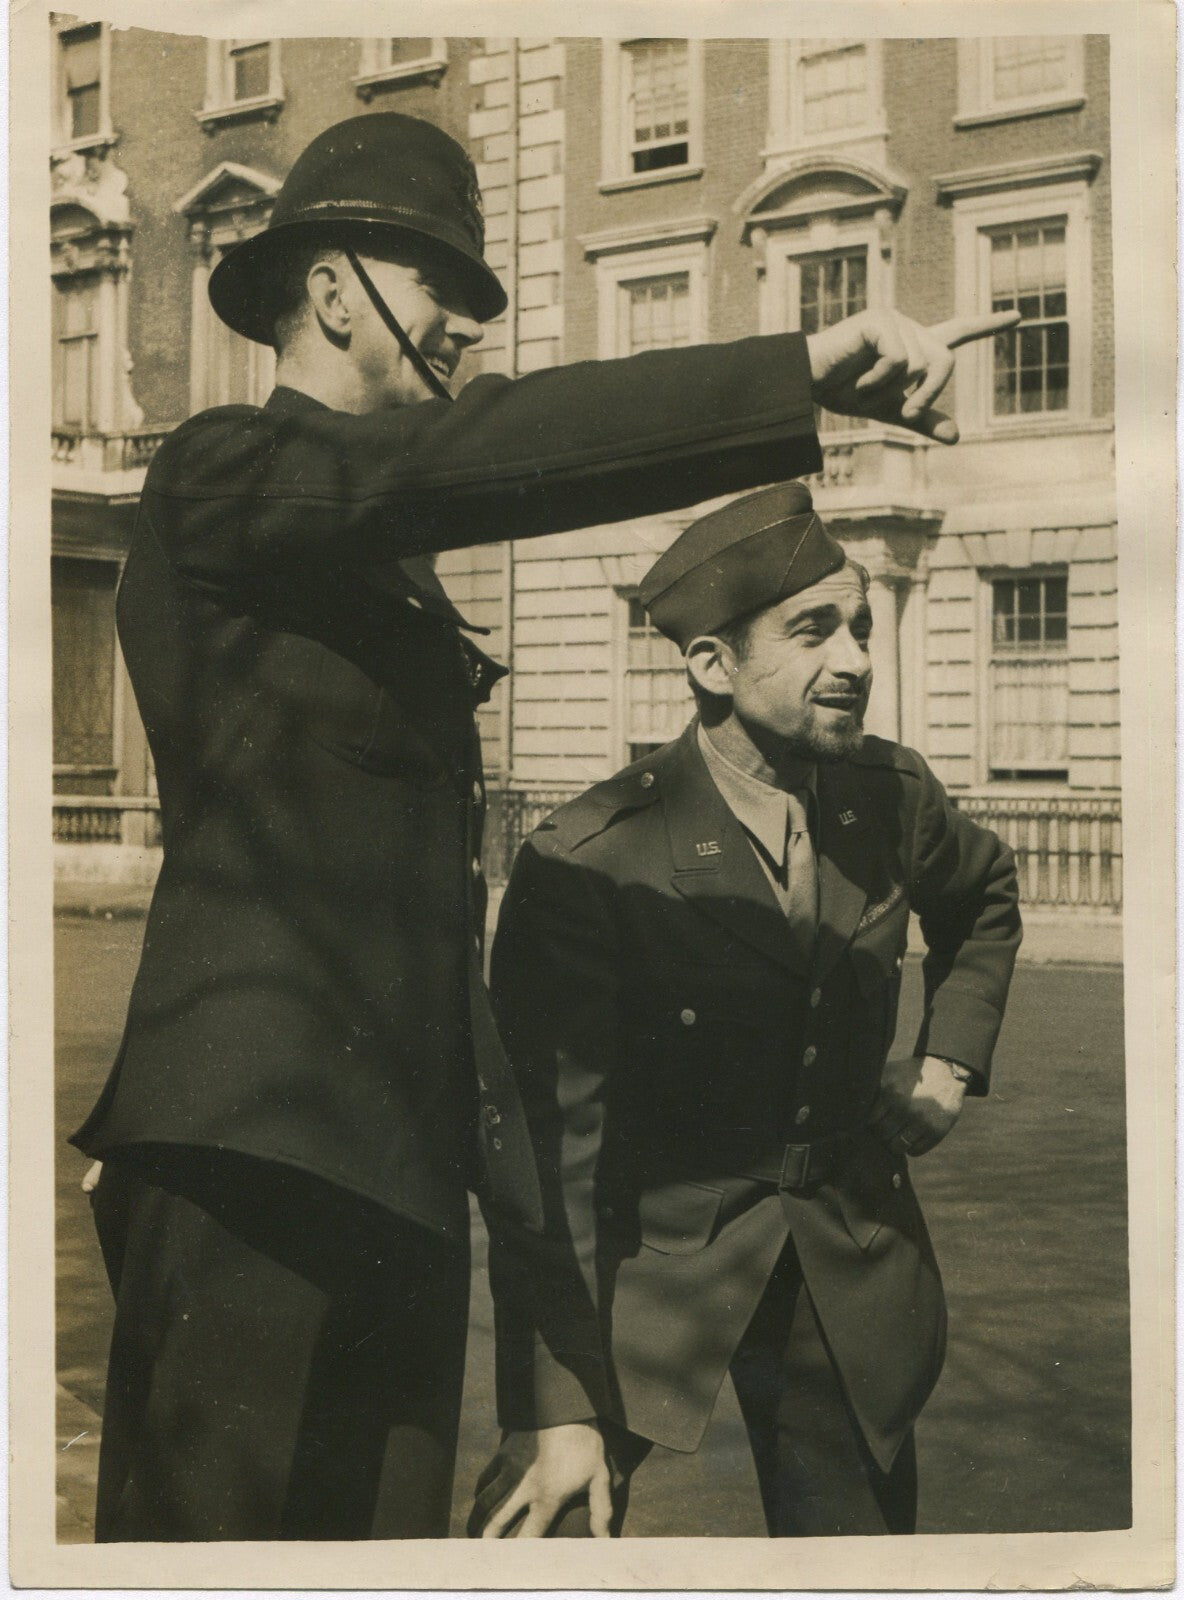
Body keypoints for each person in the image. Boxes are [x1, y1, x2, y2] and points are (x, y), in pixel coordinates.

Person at [70, 108, 1016, 1541]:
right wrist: (791, 376)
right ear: (331, 289)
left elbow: (469, 984)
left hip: (396, 1172)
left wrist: (552, 1373)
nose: (466, 327)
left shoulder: (372, 556)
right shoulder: (221, 468)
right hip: (253, 1151)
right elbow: (474, 452)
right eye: (440, 285)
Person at [473, 482, 1022, 1540]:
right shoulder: (593, 857)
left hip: (847, 1255)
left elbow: (984, 894)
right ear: (710, 665)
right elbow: (549, 1159)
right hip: (645, 1273)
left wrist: (947, 1062)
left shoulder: (889, 797)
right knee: (541, 1532)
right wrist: (560, 1407)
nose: (855, 659)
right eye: (812, 631)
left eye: (860, 627)